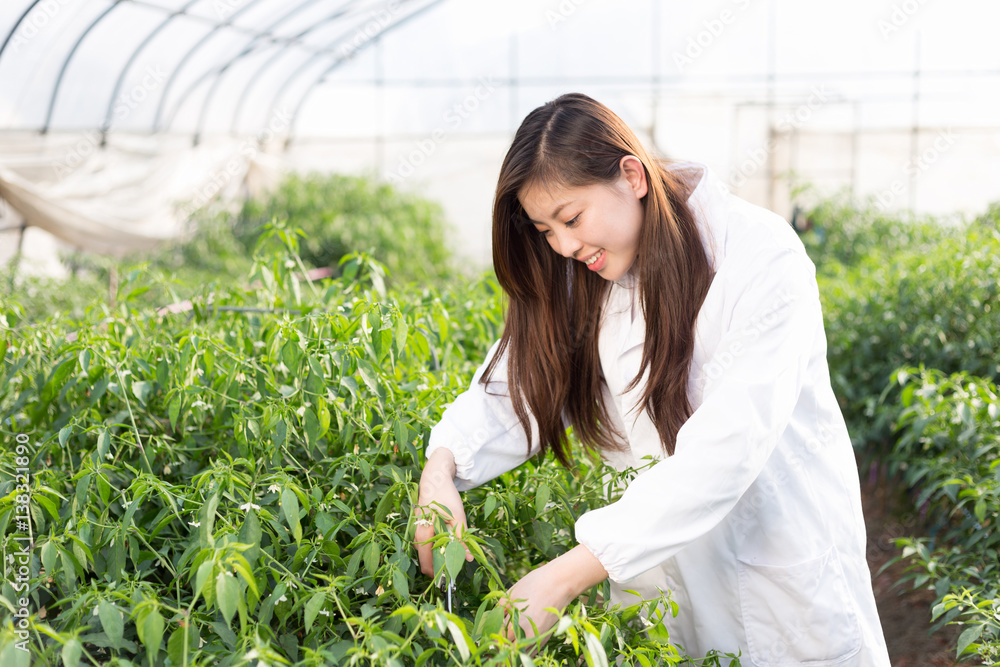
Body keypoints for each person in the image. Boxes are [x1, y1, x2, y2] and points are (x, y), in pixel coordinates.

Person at [412, 92, 891, 665]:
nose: (563, 246)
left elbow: (726, 451)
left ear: (632, 175)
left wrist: (565, 576)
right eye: (544, 230)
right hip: (661, 594)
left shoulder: (759, 258)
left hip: (779, 588)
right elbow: (512, 391)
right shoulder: (581, 275)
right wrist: (439, 472)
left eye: (571, 218)